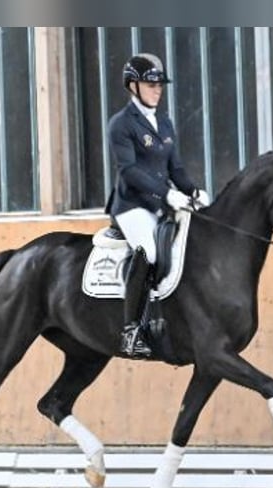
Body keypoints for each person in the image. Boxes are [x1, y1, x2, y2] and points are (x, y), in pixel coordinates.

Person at [105, 52, 210, 359]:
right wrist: (167, 194)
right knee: (148, 252)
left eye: (160, 85)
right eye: (151, 84)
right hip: (132, 206)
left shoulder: (164, 122)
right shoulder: (121, 124)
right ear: (133, 86)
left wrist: (193, 191)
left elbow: (175, 168)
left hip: (162, 204)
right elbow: (130, 171)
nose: (158, 90)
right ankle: (130, 330)